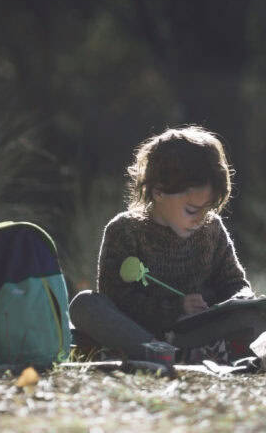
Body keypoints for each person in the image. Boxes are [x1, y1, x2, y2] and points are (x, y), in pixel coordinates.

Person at [69, 125, 254, 363]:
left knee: (253, 314)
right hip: (143, 334)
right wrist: (176, 308)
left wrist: (240, 299)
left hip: (200, 333)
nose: (200, 218)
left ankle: (195, 353)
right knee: (85, 305)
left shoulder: (212, 228)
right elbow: (117, 300)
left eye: (207, 209)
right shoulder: (124, 230)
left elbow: (234, 283)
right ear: (158, 192)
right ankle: (166, 355)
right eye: (192, 210)